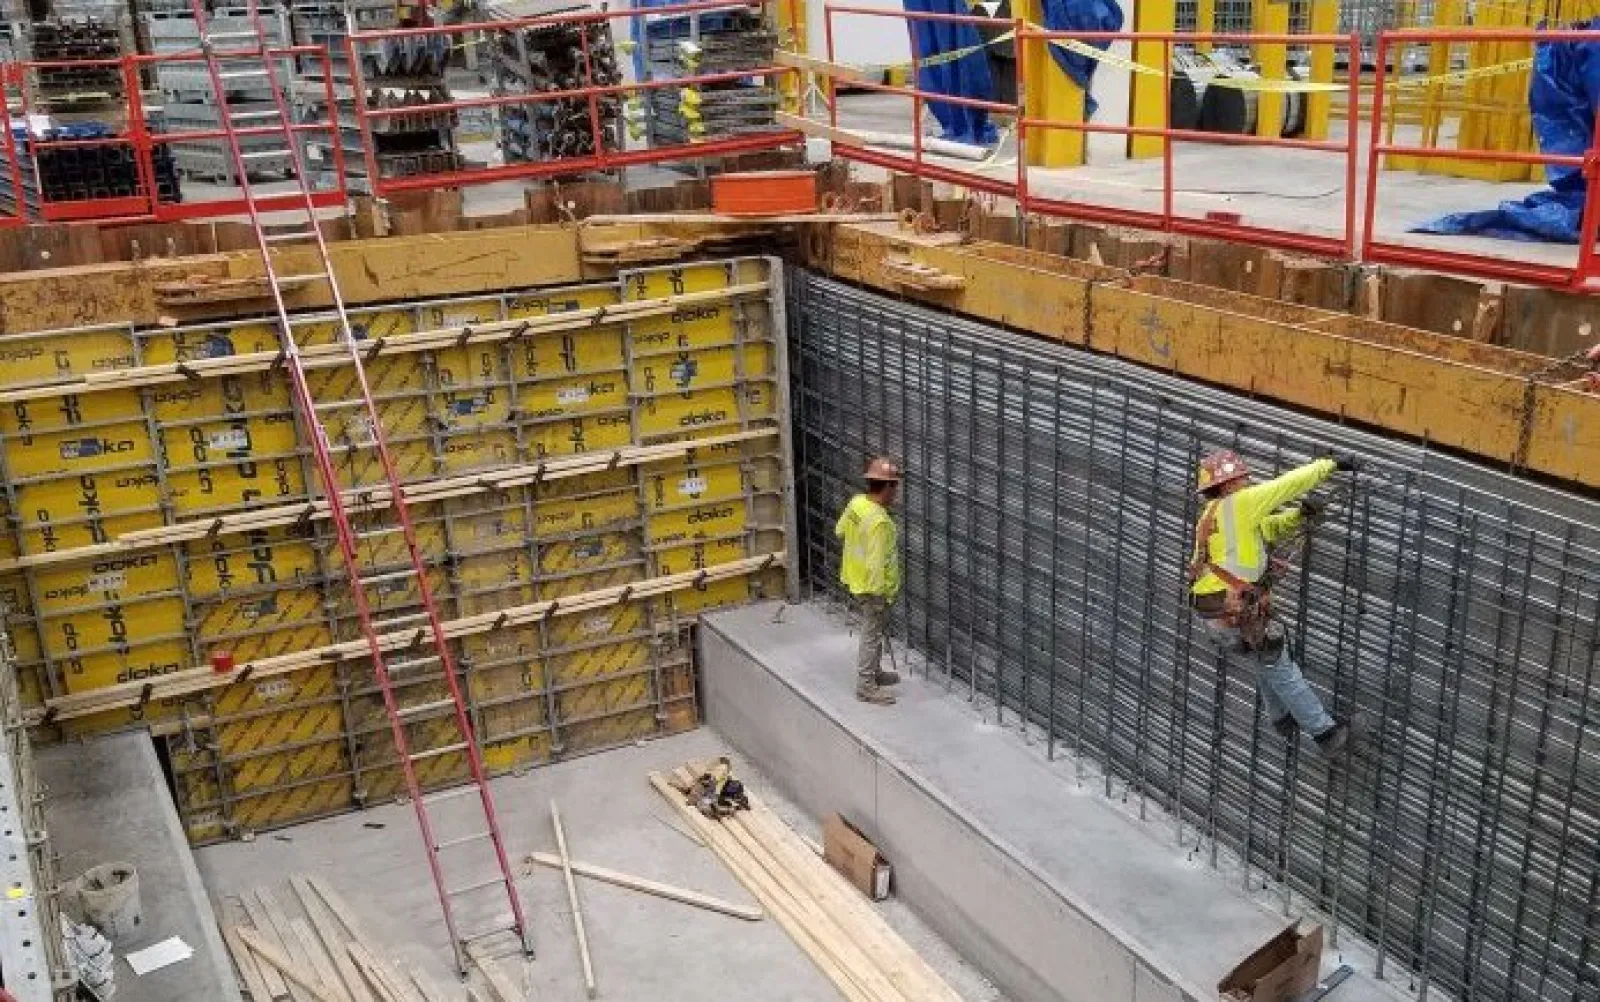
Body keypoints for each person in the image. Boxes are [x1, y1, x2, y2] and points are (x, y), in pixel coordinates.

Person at [1188, 449, 1357, 756]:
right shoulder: (1238, 504)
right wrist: (1330, 465)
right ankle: (1326, 734)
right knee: (1280, 666)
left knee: (1264, 659)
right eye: (1241, 479)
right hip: (1234, 610)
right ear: (1227, 485)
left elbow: (1269, 528)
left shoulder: (1213, 515)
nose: (1247, 482)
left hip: (1215, 610)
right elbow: (1286, 485)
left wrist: (1300, 516)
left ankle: (1281, 719)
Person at [835, 456, 903, 705]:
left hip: (854, 579)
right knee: (871, 634)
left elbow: (839, 530)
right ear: (886, 487)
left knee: (873, 632)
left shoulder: (856, 504)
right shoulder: (879, 522)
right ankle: (866, 686)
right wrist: (880, 595)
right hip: (871, 588)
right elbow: (876, 564)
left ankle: (874, 673)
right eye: (894, 486)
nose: (896, 492)